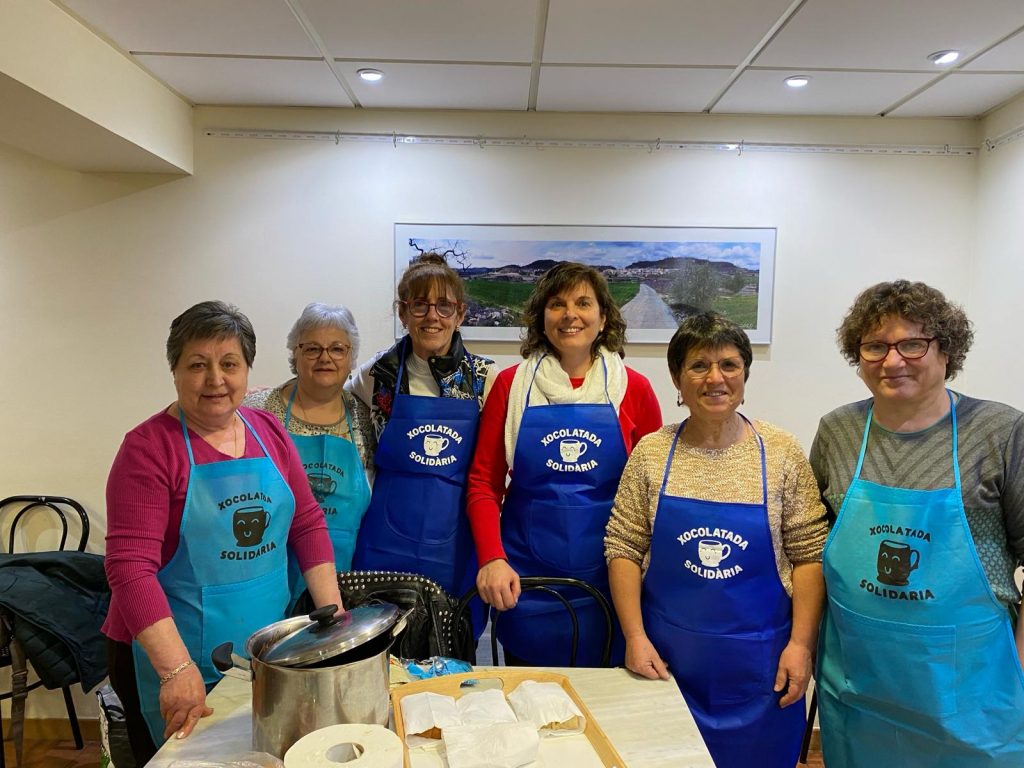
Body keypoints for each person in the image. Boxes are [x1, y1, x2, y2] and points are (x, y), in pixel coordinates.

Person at [103, 301, 343, 765]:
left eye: (229, 364)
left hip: (264, 651)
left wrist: (332, 620)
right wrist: (174, 668)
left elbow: (308, 522)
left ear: (246, 369)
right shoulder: (148, 449)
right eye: (198, 365)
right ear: (174, 370)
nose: (216, 379)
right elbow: (129, 568)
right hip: (176, 655)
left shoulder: (268, 431)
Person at [811, 280, 1024, 767]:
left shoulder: (1000, 432)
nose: (892, 361)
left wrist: (1019, 675)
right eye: (875, 346)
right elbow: (813, 545)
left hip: (972, 693)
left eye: (912, 344)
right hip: (860, 685)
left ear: (947, 350)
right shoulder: (838, 431)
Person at [604, 311, 827, 768]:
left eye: (728, 364)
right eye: (699, 365)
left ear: (745, 373)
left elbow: (810, 555)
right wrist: (635, 637)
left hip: (762, 671)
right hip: (667, 663)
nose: (715, 378)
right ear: (677, 379)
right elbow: (623, 547)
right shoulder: (651, 452)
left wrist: (801, 645)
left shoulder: (781, 451)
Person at [467, 262, 662, 666]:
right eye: (557, 304)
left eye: (583, 303)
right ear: (542, 317)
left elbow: (652, 496)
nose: (570, 314)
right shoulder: (510, 385)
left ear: (603, 317)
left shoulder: (635, 390)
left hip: (611, 582)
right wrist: (492, 557)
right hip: (526, 580)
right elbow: (483, 483)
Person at [347, 253, 495, 601]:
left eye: (444, 306)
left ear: (460, 314)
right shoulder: (375, 376)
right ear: (402, 312)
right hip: (384, 541)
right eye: (420, 305)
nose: (432, 316)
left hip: (456, 540)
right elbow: (330, 404)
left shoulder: (486, 378)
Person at [244, 302, 371, 609]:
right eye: (312, 348)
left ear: (351, 357)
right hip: (272, 570)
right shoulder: (259, 410)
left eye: (337, 349)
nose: (325, 357)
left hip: (345, 578)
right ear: (295, 354)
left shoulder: (367, 418)